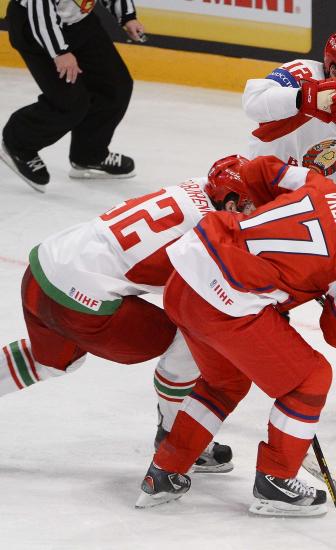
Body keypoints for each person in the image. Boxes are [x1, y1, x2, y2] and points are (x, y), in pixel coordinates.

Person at [135, 170, 336, 517]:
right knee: (311, 378)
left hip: (187, 273)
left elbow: (261, 171)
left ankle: (165, 471)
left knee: (226, 381)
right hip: (227, 301)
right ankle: (276, 481)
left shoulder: (321, 185)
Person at [0, 154, 265, 473]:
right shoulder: (209, 238)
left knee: (52, 361)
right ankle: (174, 435)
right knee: (195, 337)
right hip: (78, 305)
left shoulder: (199, 186)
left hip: (43, 268)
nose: (259, 214)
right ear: (232, 204)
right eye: (254, 206)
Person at [1, 0, 145, 193]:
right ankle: (18, 142)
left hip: (80, 22)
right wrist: (60, 52)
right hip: (36, 26)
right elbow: (40, 10)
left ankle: (89, 155)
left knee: (115, 86)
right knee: (70, 102)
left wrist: (127, 16)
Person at [241, 27, 336, 191]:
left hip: (313, 201)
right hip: (263, 186)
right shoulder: (302, 75)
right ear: (334, 71)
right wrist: (302, 98)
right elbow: (253, 101)